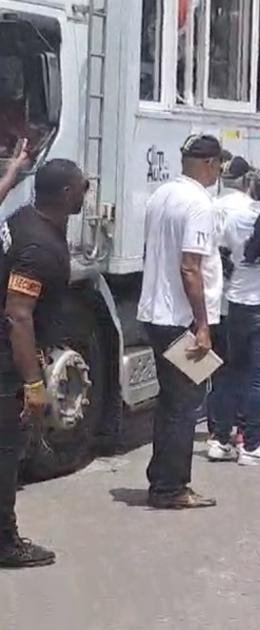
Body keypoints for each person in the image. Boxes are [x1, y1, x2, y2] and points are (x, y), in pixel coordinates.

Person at [0, 158, 85, 567]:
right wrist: (33, 385)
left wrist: (10, 174)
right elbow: (18, 314)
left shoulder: (19, 218)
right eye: (83, 186)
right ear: (67, 194)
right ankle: (4, 541)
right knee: (6, 450)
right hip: (6, 364)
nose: (88, 191)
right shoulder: (38, 246)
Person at [137, 134, 225, 509]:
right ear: (208, 165)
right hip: (181, 319)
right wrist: (202, 326)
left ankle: (162, 480)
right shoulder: (199, 204)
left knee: (171, 400)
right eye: (218, 165)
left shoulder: (162, 195)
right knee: (185, 403)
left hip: (155, 312)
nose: (219, 172)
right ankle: (171, 488)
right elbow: (191, 267)